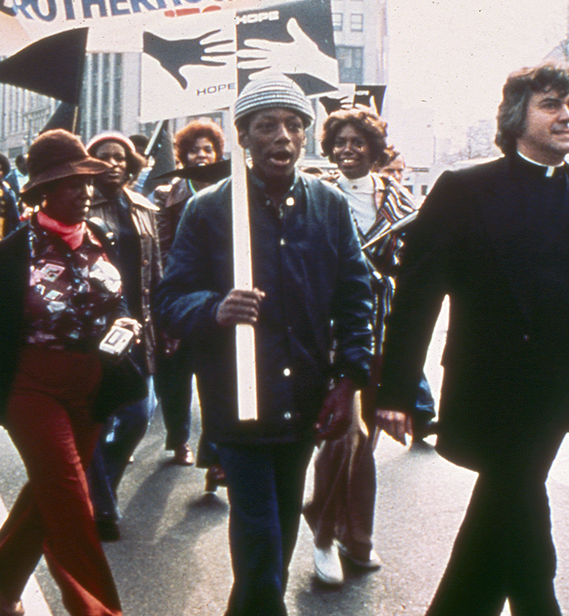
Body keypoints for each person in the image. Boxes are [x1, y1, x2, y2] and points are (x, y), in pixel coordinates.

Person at [375, 61, 569, 616]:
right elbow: (416, 298)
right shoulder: (465, 189)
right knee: (519, 508)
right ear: (516, 118)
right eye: (551, 105)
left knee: (503, 512)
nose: (567, 117)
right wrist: (394, 392)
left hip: (560, 393)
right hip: (493, 393)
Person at [155, 74, 376, 616]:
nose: (283, 137)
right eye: (267, 126)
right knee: (258, 536)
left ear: (306, 136)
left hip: (305, 396)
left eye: (294, 125)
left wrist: (347, 381)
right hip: (239, 399)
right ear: (244, 138)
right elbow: (169, 299)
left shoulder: (328, 204)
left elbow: (355, 298)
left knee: (278, 533)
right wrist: (214, 308)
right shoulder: (209, 207)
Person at [0, 129, 131, 616]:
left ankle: (5, 573)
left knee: (47, 494)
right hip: (30, 387)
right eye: (71, 183)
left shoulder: (102, 240)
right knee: (70, 496)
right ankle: (98, 610)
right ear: (43, 191)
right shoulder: (8, 256)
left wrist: (126, 325)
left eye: (88, 181)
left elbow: (118, 303)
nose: (85, 192)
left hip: (90, 387)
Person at [300, 107, 426, 585]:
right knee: (342, 434)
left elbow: (414, 261)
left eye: (358, 142)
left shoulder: (397, 198)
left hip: (383, 329)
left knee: (367, 441)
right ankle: (324, 536)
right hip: (332, 330)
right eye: (340, 142)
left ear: (374, 149)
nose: (348, 150)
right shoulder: (316, 192)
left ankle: (359, 537)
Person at [84, 131, 160, 542]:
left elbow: (158, 271)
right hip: (98, 330)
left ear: (130, 164)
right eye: (102, 157)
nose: (112, 164)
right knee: (97, 417)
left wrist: (164, 325)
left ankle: (100, 486)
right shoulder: (79, 206)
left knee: (138, 414)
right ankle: (102, 507)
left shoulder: (147, 207)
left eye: (119, 157)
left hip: (142, 326)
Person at [152, 119, 223, 474]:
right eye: (194, 150)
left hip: (217, 298)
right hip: (181, 294)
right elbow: (162, 250)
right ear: (183, 155)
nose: (201, 155)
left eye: (207, 150)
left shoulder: (230, 190)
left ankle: (215, 454)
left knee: (217, 376)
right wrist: (170, 302)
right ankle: (177, 438)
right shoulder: (168, 194)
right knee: (176, 376)